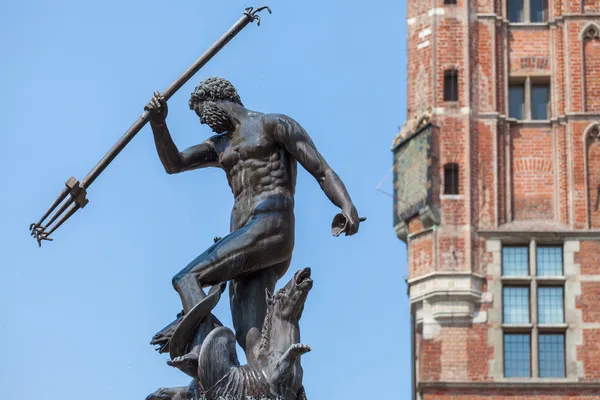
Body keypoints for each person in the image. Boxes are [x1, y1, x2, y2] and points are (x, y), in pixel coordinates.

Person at [145, 77, 361, 362]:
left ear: (215, 100)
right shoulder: (219, 146)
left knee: (187, 278)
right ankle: (261, 383)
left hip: (270, 226)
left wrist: (347, 206)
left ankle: (203, 349)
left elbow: (321, 170)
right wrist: (159, 124)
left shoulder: (273, 125)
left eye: (200, 113)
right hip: (245, 240)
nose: (201, 122)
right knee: (254, 344)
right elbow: (175, 163)